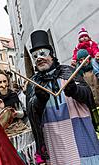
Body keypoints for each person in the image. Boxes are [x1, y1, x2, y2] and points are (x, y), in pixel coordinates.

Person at [26, 30, 99, 165]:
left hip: (79, 129)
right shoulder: (33, 82)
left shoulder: (69, 71)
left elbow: (88, 96)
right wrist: (39, 100)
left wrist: (75, 91)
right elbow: (31, 112)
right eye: (35, 56)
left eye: (43, 54)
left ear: (52, 55)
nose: (39, 58)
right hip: (52, 135)